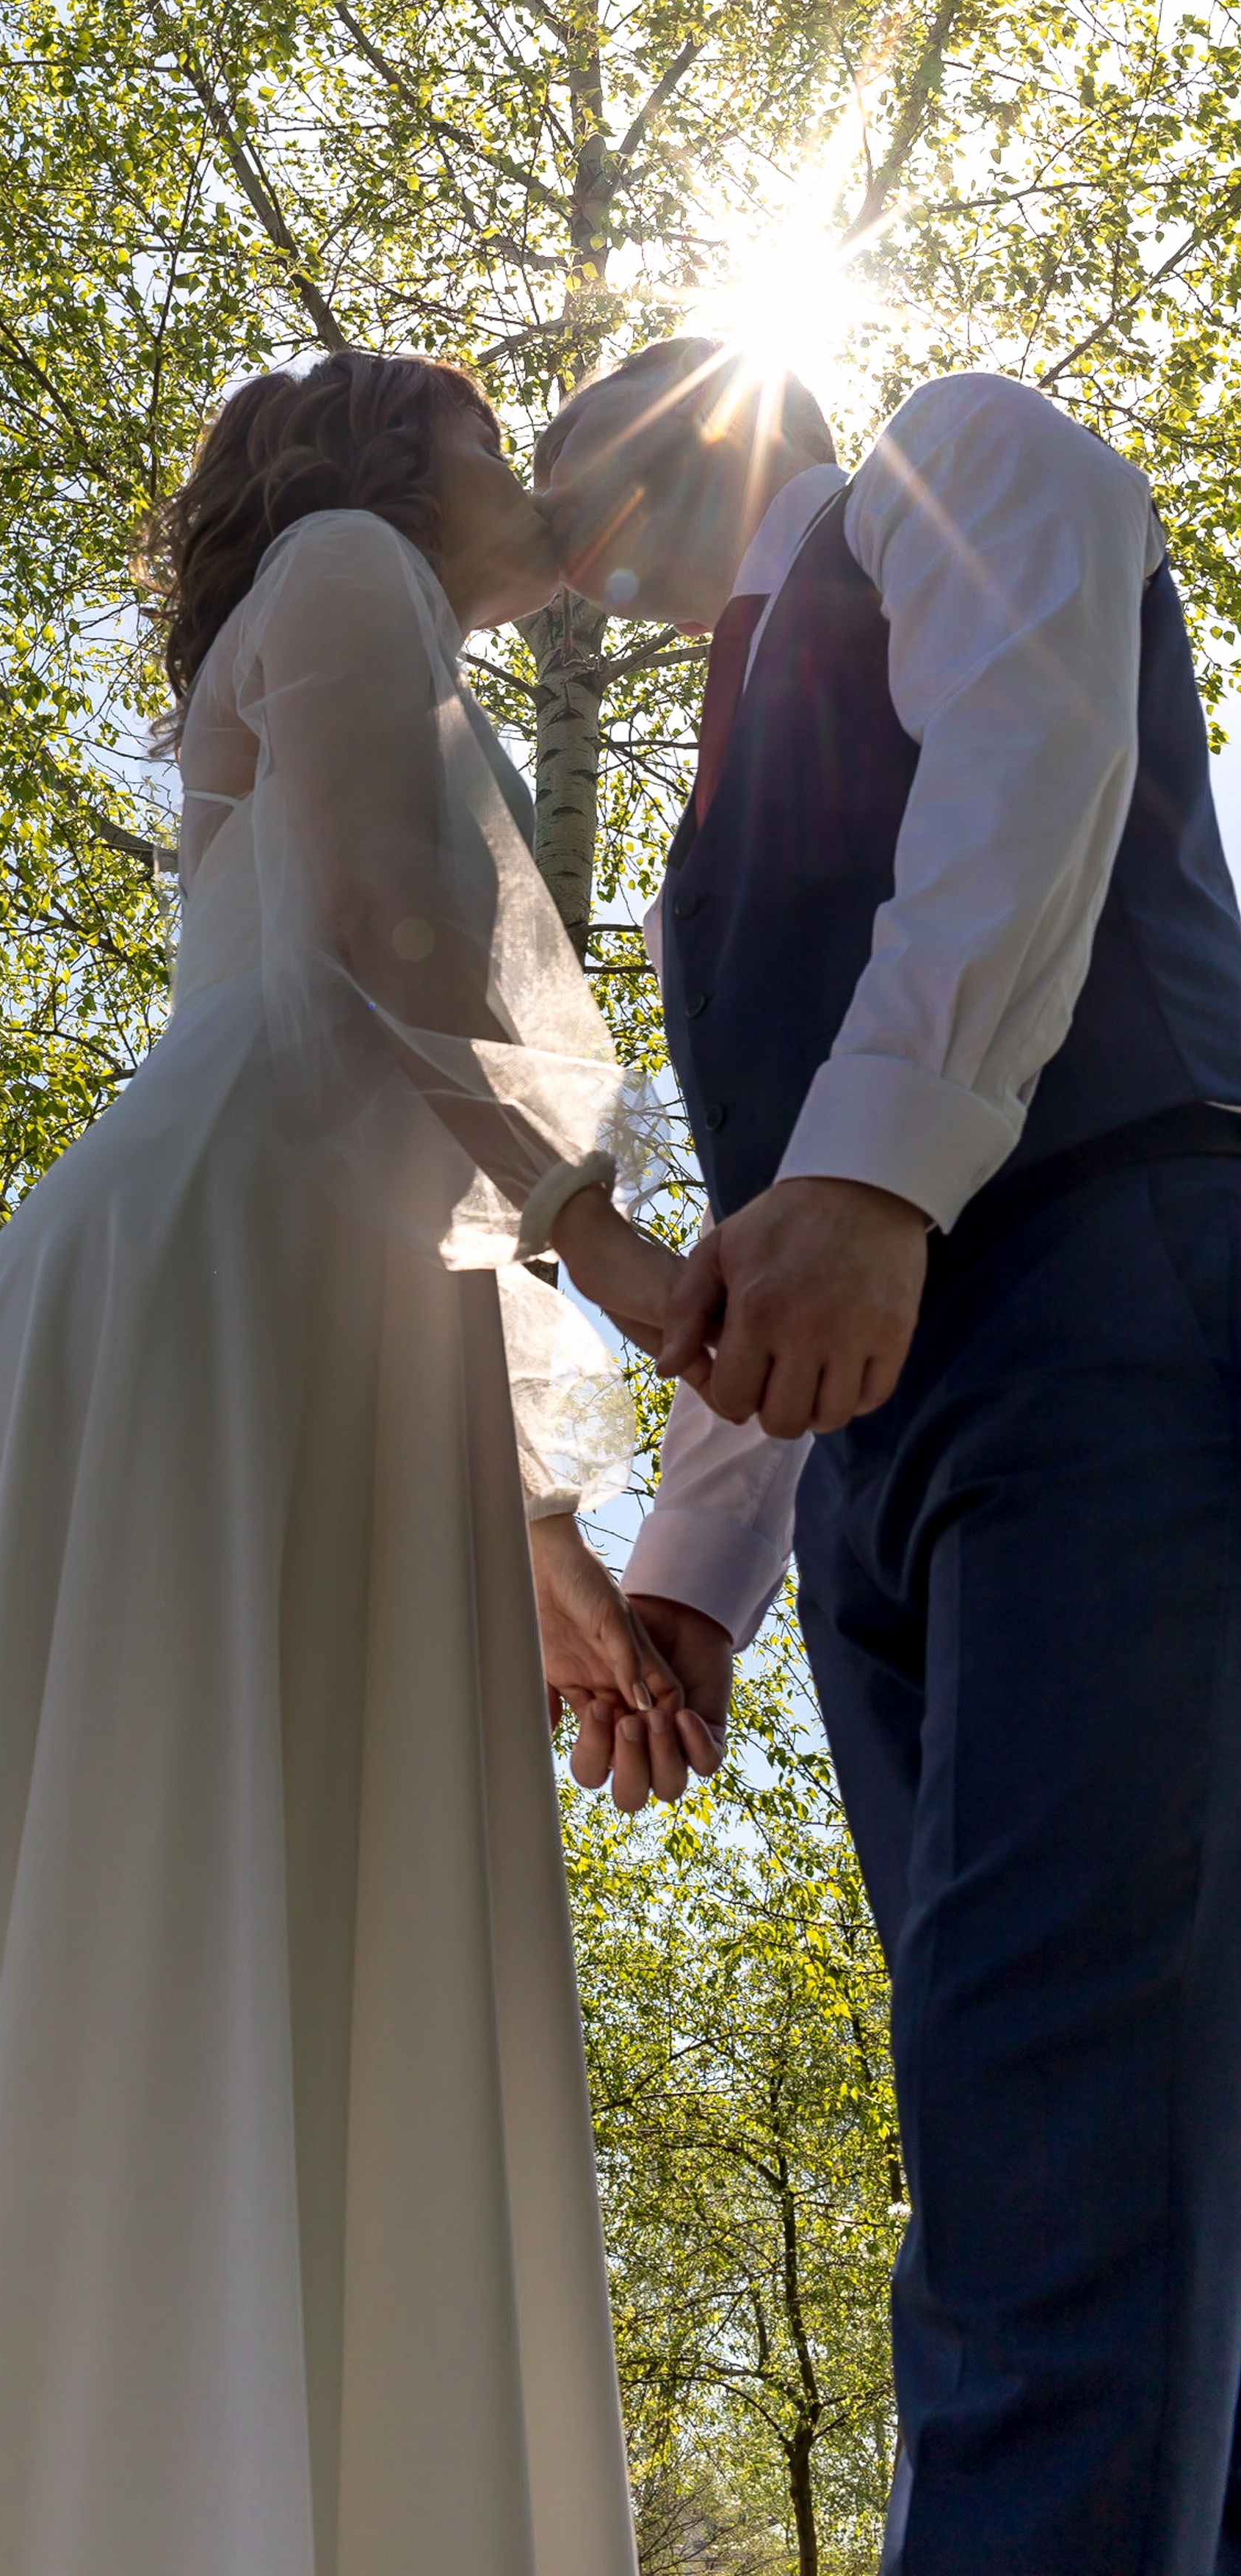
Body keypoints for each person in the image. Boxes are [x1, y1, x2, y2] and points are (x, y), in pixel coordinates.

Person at [0, 349, 699, 2576]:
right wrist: (617, 1251)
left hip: (308, 1291)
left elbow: (387, 1068)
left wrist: (538, 1536)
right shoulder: (349, 566)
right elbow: (389, 952)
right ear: (392, 461)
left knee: (211, 1889)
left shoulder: (370, 614)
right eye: (493, 436)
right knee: (189, 1883)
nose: (529, 483)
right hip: (231, 1285)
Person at [539, 338, 1241, 2575]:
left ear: (685, 441)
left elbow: (1028, 778)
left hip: (1110, 1298)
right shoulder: (693, 862)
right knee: (1033, 2112)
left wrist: (891, 1177)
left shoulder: (961, 457)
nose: (568, 574)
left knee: (1071, 2117)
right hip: (878, 1475)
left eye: (579, 509)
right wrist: (688, 1581)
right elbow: (781, 1214)